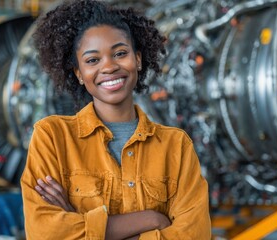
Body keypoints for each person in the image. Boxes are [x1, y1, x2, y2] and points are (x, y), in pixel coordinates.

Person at [20, 0, 211, 239]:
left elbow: (195, 234)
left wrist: (82, 224)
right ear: (79, 73)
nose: (109, 66)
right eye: (92, 60)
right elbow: (45, 233)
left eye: (120, 53)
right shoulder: (52, 138)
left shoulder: (176, 146)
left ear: (138, 60)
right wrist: (151, 219)